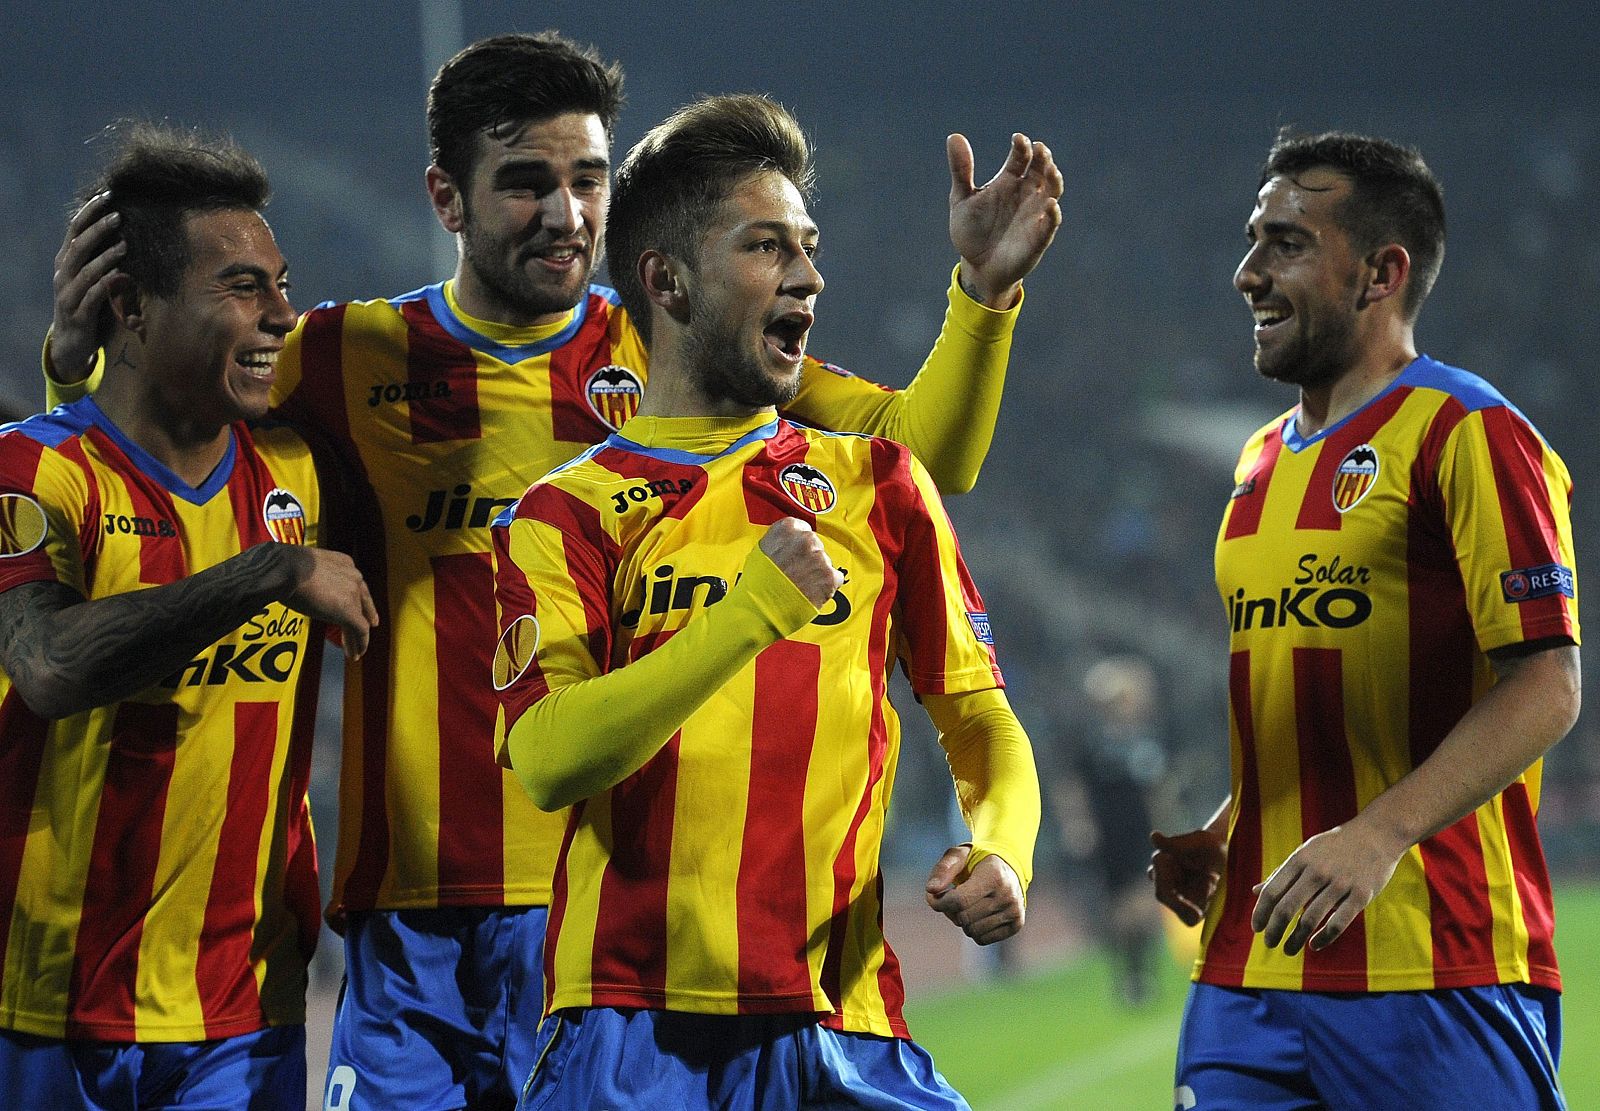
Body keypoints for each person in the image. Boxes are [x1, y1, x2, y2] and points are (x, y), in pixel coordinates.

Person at [45, 31, 1062, 1111]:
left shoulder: (675, 338)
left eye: (586, 180)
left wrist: (983, 298)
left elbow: (926, 450)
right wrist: (73, 363)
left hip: (605, 905)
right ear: (448, 195)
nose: (567, 215)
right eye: (527, 184)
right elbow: (156, 445)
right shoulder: (342, 357)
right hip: (416, 902)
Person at [492, 91, 1040, 1110]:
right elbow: (549, 755)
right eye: (766, 247)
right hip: (630, 1027)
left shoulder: (876, 482)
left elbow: (980, 721)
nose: (808, 275)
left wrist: (1004, 848)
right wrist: (746, 614)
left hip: (846, 1027)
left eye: (809, 244)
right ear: (667, 280)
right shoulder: (566, 511)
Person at [1150, 130, 1580, 1110]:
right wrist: (1231, 824)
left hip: (1430, 968)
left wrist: (1378, 833)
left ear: (1381, 272)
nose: (1246, 273)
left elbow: (1547, 681)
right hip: (1248, 968)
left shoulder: (1467, 432)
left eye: (1286, 243)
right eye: (1252, 240)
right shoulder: (1257, 459)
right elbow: (1320, 678)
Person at [0, 123, 376, 1109]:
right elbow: (46, 665)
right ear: (130, 306)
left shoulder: (304, 468)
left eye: (281, 283)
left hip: (242, 1014)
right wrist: (265, 573)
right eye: (243, 286)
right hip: (40, 1007)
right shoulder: (31, 470)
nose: (282, 314)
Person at [1050, 655, 1170, 1004]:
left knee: (1144, 904)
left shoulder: (1145, 739)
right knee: (1119, 907)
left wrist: (1165, 826)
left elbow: (1157, 787)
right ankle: (1130, 976)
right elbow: (1071, 784)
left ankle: (1139, 974)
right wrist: (1077, 823)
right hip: (1107, 832)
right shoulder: (1089, 741)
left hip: (1140, 830)